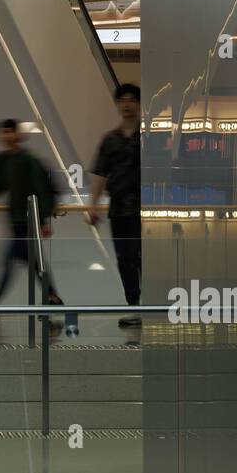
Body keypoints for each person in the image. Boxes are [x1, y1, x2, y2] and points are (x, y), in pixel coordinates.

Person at [0, 119, 63, 334]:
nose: (7, 137)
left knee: (11, 261)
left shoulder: (29, 160)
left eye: (11, 132)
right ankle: (52, 300)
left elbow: (41, 189)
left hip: (29, 220)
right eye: (4, 133)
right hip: (16, 221)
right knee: (34, 265)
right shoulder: (2, 160)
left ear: (17, 135)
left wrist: (44, 221)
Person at [88, 83, 143, 328]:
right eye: (123, 100)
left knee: (146, 259)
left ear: (139, 104)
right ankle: (134, 307)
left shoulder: (150, 136)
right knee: (125, 259)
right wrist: (93, 205)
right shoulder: (110, 140)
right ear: (118, 105)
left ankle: (153, 306)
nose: (128, 104)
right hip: (119, 210)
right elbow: (100, 173)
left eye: (132, 99)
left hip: (147, 212)